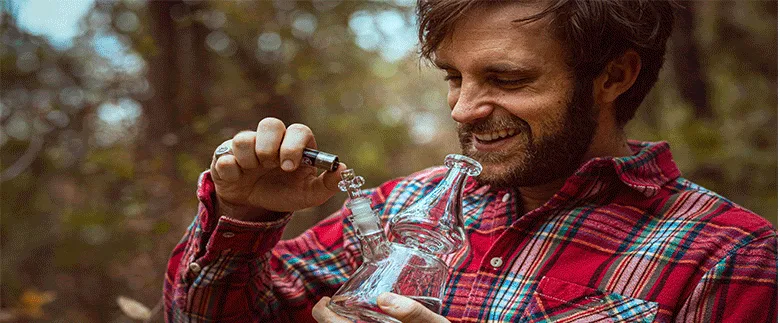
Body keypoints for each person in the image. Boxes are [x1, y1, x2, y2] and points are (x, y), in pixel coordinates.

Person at [164, 0, 777, 322]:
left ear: (613, 75)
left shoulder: (726, 256)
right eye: (454, 77)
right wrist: (243, 216)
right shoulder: (405, 205)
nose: (463, 109)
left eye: (506, 78)